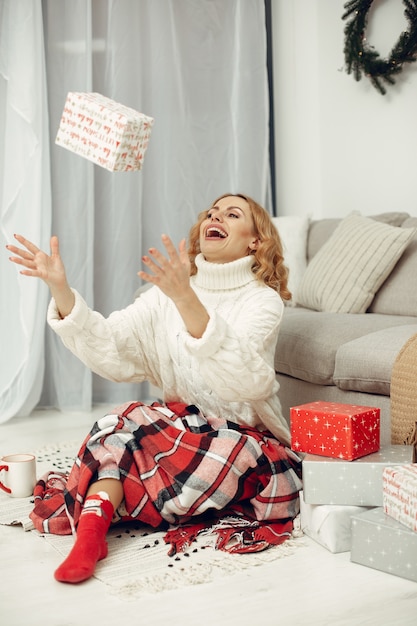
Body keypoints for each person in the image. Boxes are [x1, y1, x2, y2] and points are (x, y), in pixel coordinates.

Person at [7, 193, 302, 584]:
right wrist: (60, 289)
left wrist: (185, 297)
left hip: (244, 442)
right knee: (122, 426)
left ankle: (104, 508)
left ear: (255, 241)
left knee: (144, 442)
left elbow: (245, 381)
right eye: (212, 212)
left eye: (233, 214)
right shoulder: (164, 295)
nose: (216, 216)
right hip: (182, 431)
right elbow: (111, 345)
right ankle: (91, 538)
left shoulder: (262, 302)